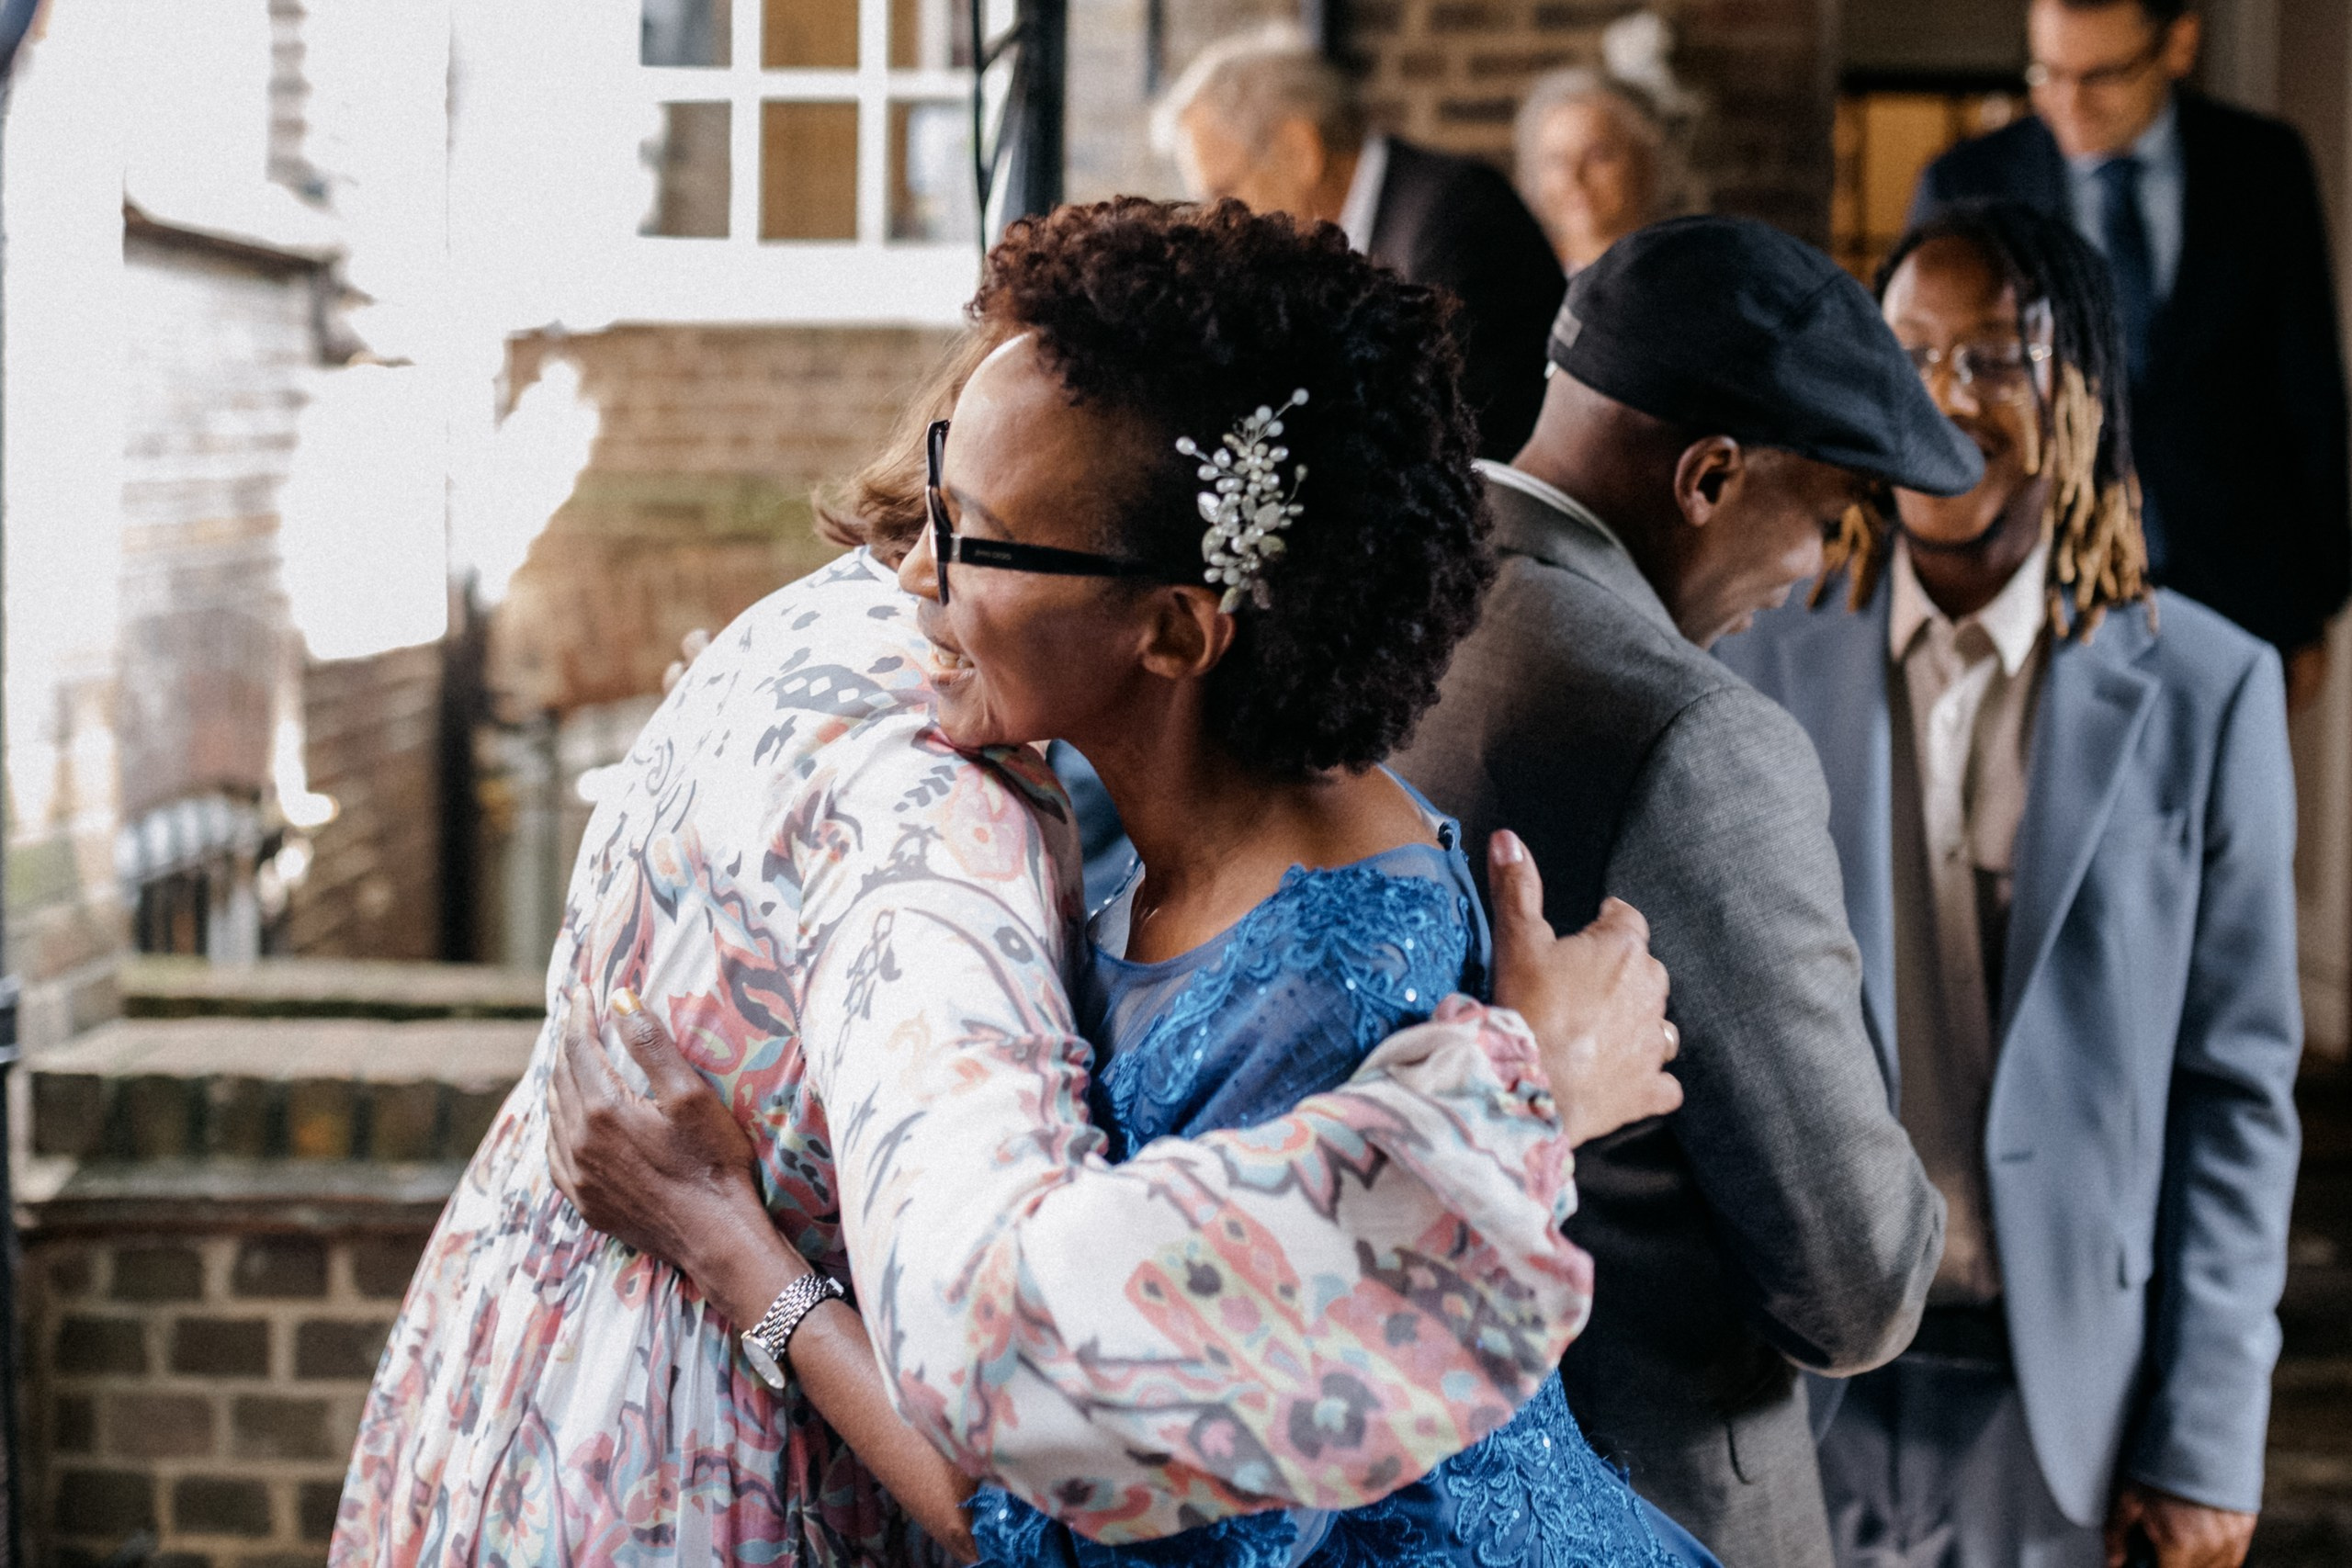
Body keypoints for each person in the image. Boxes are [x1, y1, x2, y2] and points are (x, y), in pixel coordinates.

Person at [333, 199, 1684, 1564]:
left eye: (975, 537)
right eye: (938, 488)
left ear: (1175, 632)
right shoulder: (1198, 839)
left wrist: (734, 1248)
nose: (914, 572)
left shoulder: (1316, 988)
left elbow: (1064, 1544)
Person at [1718, 199, 2301, 1568]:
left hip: (2069, 1407)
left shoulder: (2210, 690)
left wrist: (2209, 1433)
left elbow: (2235, 1093)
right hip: (1789, 1391)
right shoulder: (1749, 656)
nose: (1944, 395)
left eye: (1992, 356)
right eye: (1910, 352)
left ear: (2081, 388)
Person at [1391, 214, 1965, 1568]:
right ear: (1709, 474)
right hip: (1646, 1491)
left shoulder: (1379, 593)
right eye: (1826, 519)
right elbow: (1855, 1282)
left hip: (1393, 1451)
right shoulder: (1691, 737)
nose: (1812, 575)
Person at [1911, 0, 2349, 709]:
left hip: (2238, 588)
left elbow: (2309, 388)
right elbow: (1933, 413)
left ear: (2178, 44)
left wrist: (2313, 602)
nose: (2069, 102)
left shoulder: (2264, 167)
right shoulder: (1966, 182)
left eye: (2101, 75)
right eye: (2048, 73)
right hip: (2040, 583)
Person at [1154, 25, 1563, 458]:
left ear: (1299, 151)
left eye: (1223, 194)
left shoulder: (1453, 218)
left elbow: (1455, 433)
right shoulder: (1320, 253)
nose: (1218, 223)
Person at [1514, 70, 1668, 272]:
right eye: (1556, 161)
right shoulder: (1516, 280)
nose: (1573, 178)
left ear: (1644, 161)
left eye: (1597, 156)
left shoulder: (1688, 272)